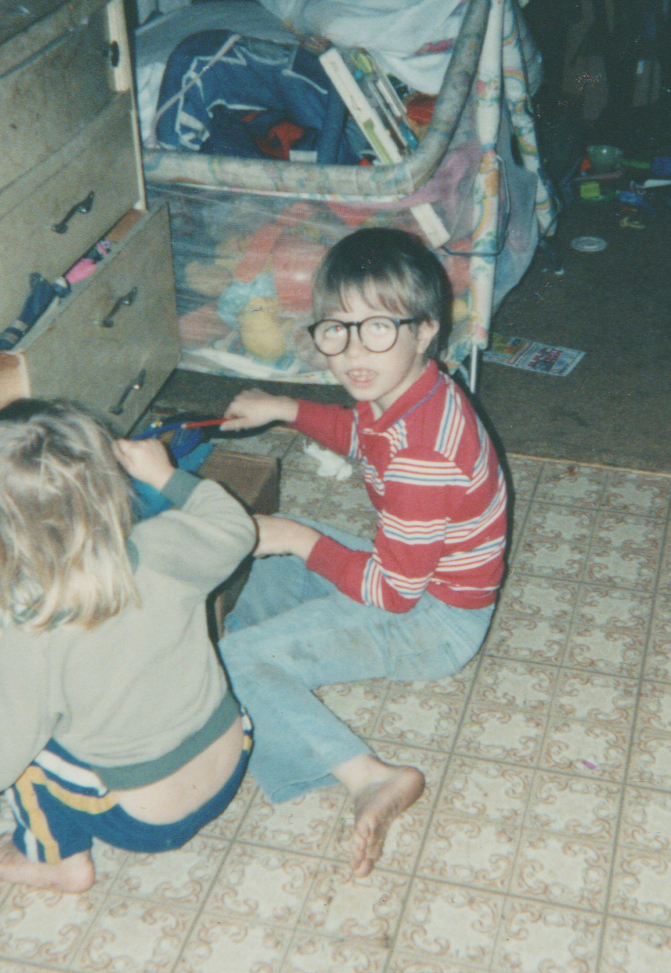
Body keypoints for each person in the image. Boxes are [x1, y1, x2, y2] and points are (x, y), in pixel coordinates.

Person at [0, 399, 258, 892]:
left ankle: (58, 861)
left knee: (24, 750)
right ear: (113, 485)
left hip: (149, 822)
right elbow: (237, 526)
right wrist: (166, 476)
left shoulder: (35, 638)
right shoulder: (166, 546)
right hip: (233, 754)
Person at [218, 227, 508, 876]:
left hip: (433, 621)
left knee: (276, 566)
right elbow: (357, 431)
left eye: (377, 328)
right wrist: (285, 407)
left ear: (425, 329)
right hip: (422, 584)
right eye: (336, 330)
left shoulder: (423, 456)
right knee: (283, 546)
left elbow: (391, 593)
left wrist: (295, 538)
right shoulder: (407, 388)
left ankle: (368, 775)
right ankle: (254, 677)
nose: (353, 351)